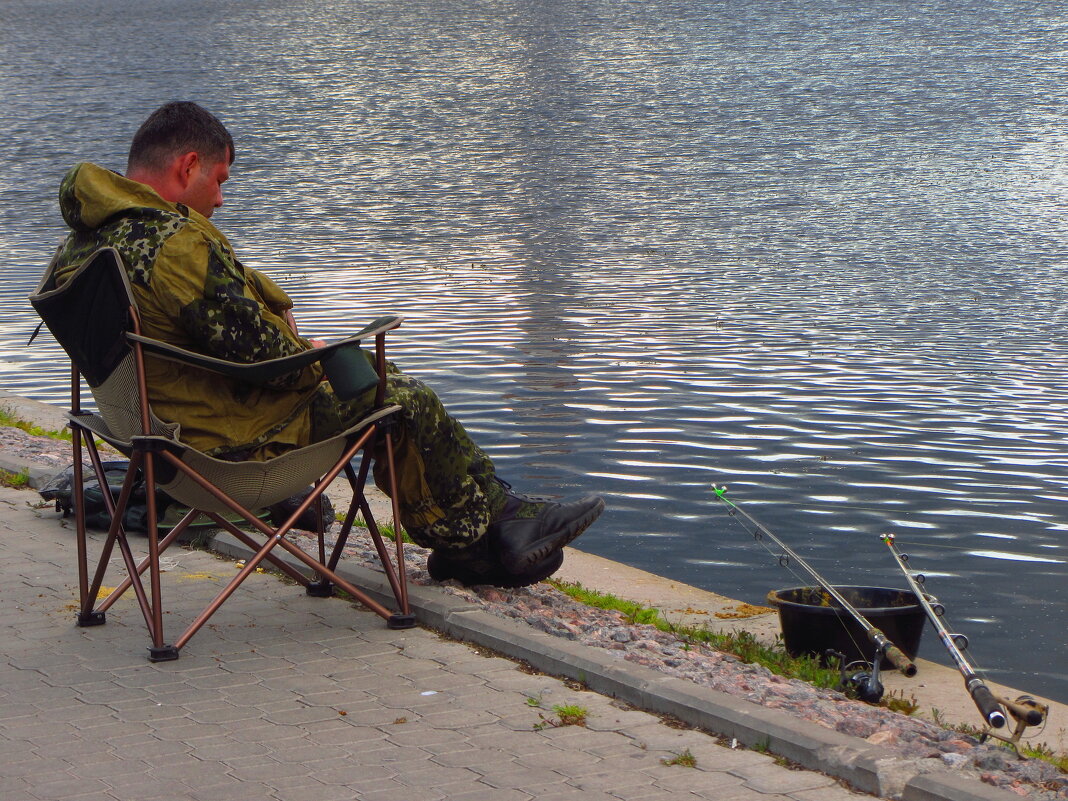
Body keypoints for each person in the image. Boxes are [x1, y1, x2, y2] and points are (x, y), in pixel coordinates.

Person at [49, 101, 604, 588]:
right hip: (222, 455)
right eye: (219, 179)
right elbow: (271, 362)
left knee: (372, 383)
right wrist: (315, 351)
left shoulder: (82, 244)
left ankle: (496, 529)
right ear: (187, 165)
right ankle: (475, 544)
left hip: (151, 441)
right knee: (397, 396)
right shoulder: (171, 244)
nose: (219, 199)